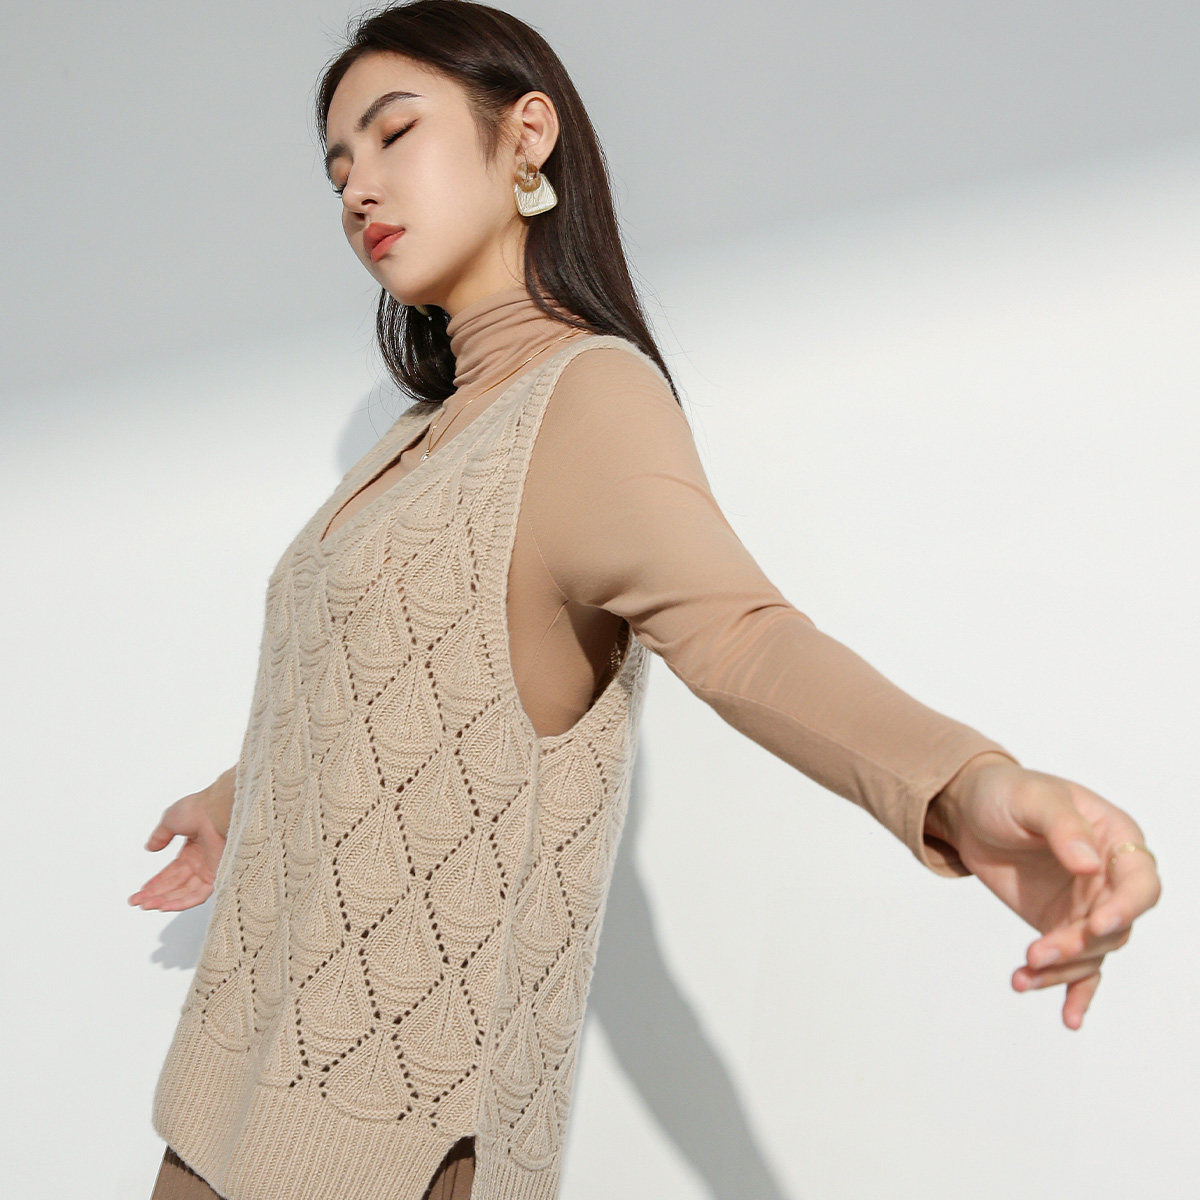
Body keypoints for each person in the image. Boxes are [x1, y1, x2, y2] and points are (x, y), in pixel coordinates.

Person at [130, 4, 1161, 1199]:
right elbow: (391, 685)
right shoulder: (418, 438)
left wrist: (966, 788)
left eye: (394, 133)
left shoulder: (586, 398)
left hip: (388, 1141)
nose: (359, 187)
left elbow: (743, 638)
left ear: (527, 136)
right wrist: (239, 797)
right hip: (230, 1094)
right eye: (338, 168)